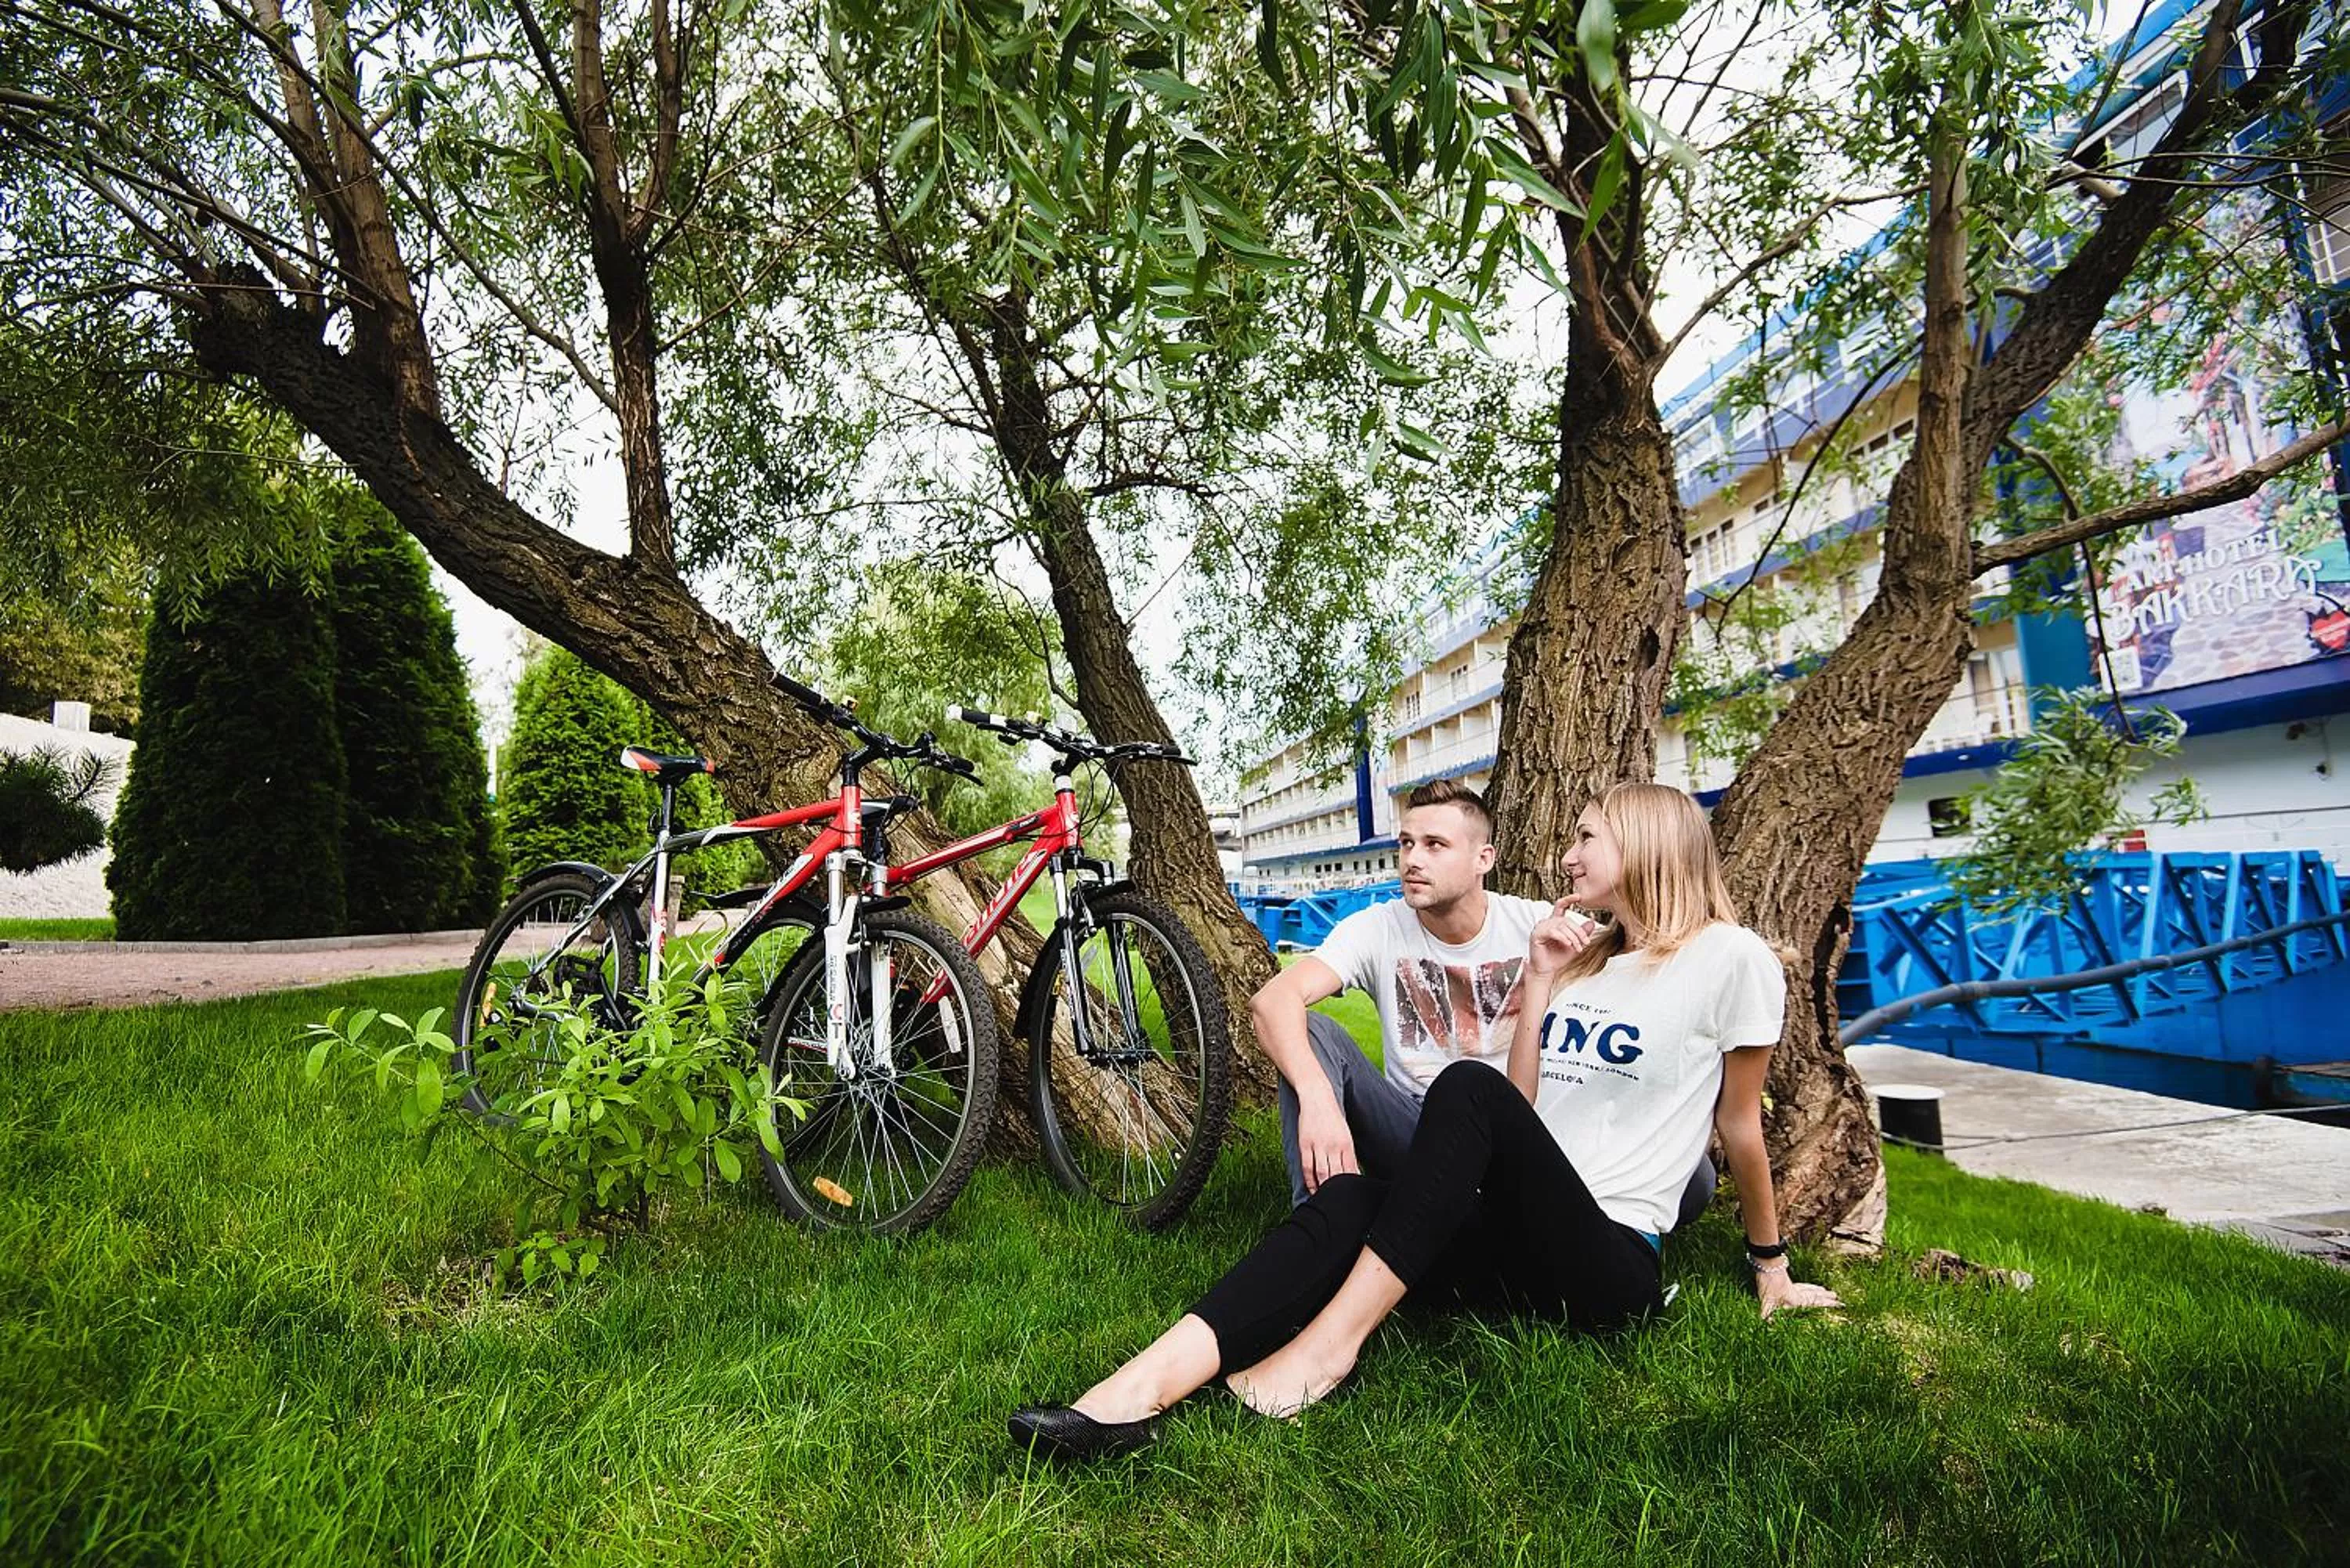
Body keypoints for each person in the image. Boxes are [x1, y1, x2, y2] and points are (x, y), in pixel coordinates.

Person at [1010, 782, 1842, 1461]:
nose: (1569, 853)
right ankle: (1126, 1398)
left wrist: (1771, 1267)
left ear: (1648, 845)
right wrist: (1546, 981)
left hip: (1609, 1260)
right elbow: (1525, 1111)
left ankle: (1327, 1351)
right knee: (1349, 1202)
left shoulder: (1730, 958)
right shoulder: (1583, 957)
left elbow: (1739, 1127)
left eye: (1588, 837)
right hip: (1518, 1242)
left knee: (1464, 1088)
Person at [1256, 779, 1551, 1207]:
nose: (1412, 860)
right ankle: (1323, 1222)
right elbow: (1271, 1002)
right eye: (1407, 843)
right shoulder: (1379, 927)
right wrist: (1318, 1099)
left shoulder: (1531, 925)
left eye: (1435, 845)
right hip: (1410, 1130)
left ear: (1482, 859)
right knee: (1314, 1030)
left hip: (1507, 1135)